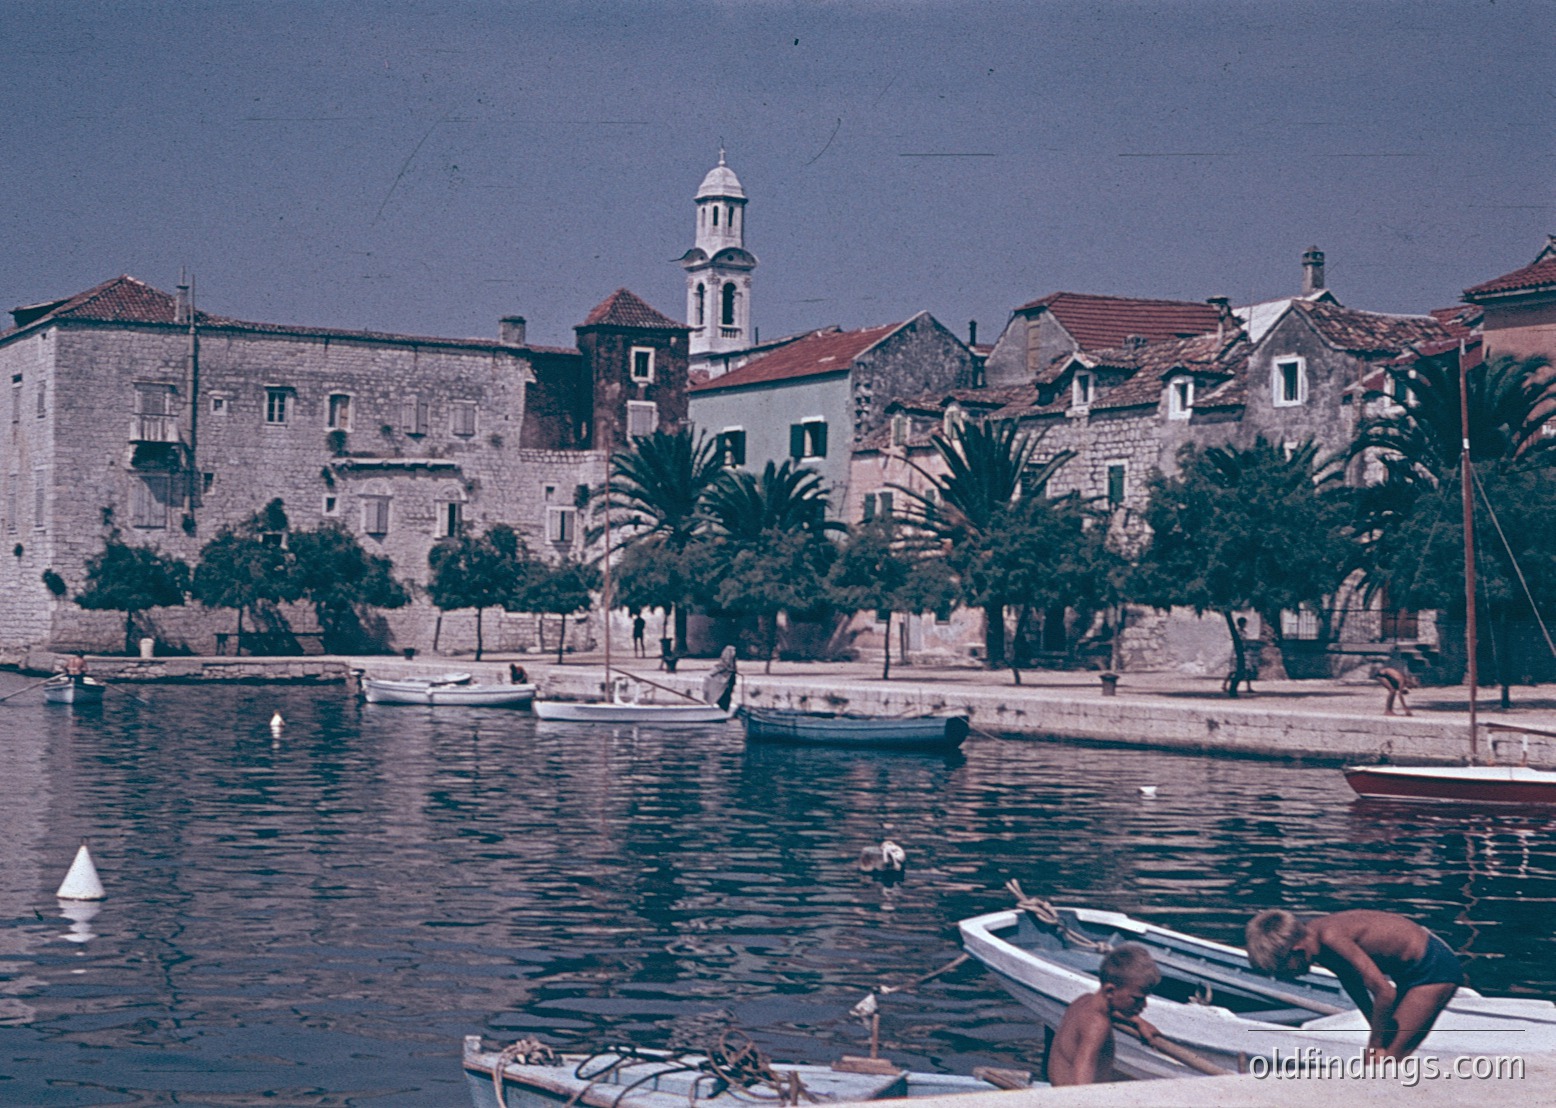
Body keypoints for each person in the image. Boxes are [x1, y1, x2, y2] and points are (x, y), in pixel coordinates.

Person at [1246, 909, 1461, 1060]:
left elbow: (1385, 992)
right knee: (1383, 1059)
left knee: (1381, 1063)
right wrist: (1377, 1029)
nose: (1288, 977)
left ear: (1297, 951)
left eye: (1283, 970)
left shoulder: (1331, 938)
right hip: (1409, 973)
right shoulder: (1316, 940)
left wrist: (1375, 1044)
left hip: (1433, 968)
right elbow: (1352, 983)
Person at [1047, 943, 1163, 1086]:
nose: (1144, 1005)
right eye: (1137, 999)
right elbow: (1080, 1086)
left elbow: (1108, 1012)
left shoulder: (1085, 1001)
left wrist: (1137, 1021)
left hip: (1058, 1090)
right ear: (1110, 991)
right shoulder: (1097, 1027)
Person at [1221, 617, 1257, 695]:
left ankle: (1248, 687)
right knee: (1233, 670)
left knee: (1247, 670)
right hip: (1237, 653)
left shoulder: (1244, 632)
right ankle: (1225, 684)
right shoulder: (1237, 633)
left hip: (1244, 652)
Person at [702, 645, 738, 711]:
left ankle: (722, 709)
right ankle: (722, 708)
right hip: (728, 679)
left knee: (723, 695)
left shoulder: (726, 662)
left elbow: (724, 665)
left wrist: (712, 673)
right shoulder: (730, 661)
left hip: (727, 680)